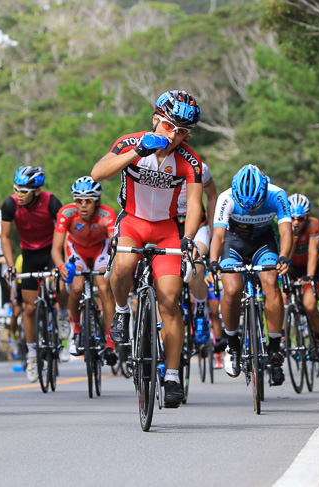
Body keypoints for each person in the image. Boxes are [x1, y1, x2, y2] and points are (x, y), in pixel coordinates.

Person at [91, 89, 203, 408]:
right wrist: (138, 151)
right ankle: (123, 311)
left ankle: (171, 376)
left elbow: (194, 205)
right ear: (156, 119)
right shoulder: (131, 142)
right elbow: (98, 173)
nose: (175, 136)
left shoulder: (189, 160)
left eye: (183, 131)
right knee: (123, 265)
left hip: (167, 229)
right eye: (170, 126)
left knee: (169, 300)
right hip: (133, 222)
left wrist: (189, 237)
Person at [209, 164, 292, 386]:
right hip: (233, 244)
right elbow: (218, 235)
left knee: (271, 283)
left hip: (263, 244)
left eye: (255, 206)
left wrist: (283, 256)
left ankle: (274, 349)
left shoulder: (277, 194)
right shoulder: (226, 198)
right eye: (246, 206)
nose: (251, 210)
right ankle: (232, 344)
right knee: (232, 289)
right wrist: (213, 261)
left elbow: (285, 230)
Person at [1, 166, 66, 383]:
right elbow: (5, 237)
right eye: (16, 189)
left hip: (51, 251)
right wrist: (11, 265)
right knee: (28, 308)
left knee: (59, 285)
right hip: (28, 254)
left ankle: (62, 316)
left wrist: (60, 262)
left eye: (24, 191)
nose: (19, 194)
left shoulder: (51, 202)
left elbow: (64, 231)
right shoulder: (10, 204)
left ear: (36, 191)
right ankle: (32, 356)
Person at [51, 176, 118, 364]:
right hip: (76, 249)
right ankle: (77, 331)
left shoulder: (106, 214)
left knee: (104, 287)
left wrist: (114, 265)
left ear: (96, 201)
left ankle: (110, 342)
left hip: (100, 249)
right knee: (77, 287)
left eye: (88, 200)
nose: (83, 205)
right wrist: (61, 266)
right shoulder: (66, 213)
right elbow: (56, 248)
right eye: (79, 200)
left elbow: (114, 243)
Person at [176, 157, 218, 344]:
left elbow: (212, 196)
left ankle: (200, 310)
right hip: (169, 225)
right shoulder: (154, 167)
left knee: (196, 261)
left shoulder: (200, 168)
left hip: (197, 224)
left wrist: (213, 229)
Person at [286, 193, 319, 361]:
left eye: (301, 218)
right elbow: (285, 256)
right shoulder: (283, 225)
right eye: (293, 218)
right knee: (281, 299)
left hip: (308, 269)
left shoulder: (313, 225)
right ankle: (282, 340)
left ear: (307, 217)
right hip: (289, 267)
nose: (296, 222)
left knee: (310, 306)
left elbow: (312, 253)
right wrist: (293, 239)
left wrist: (309, 277)